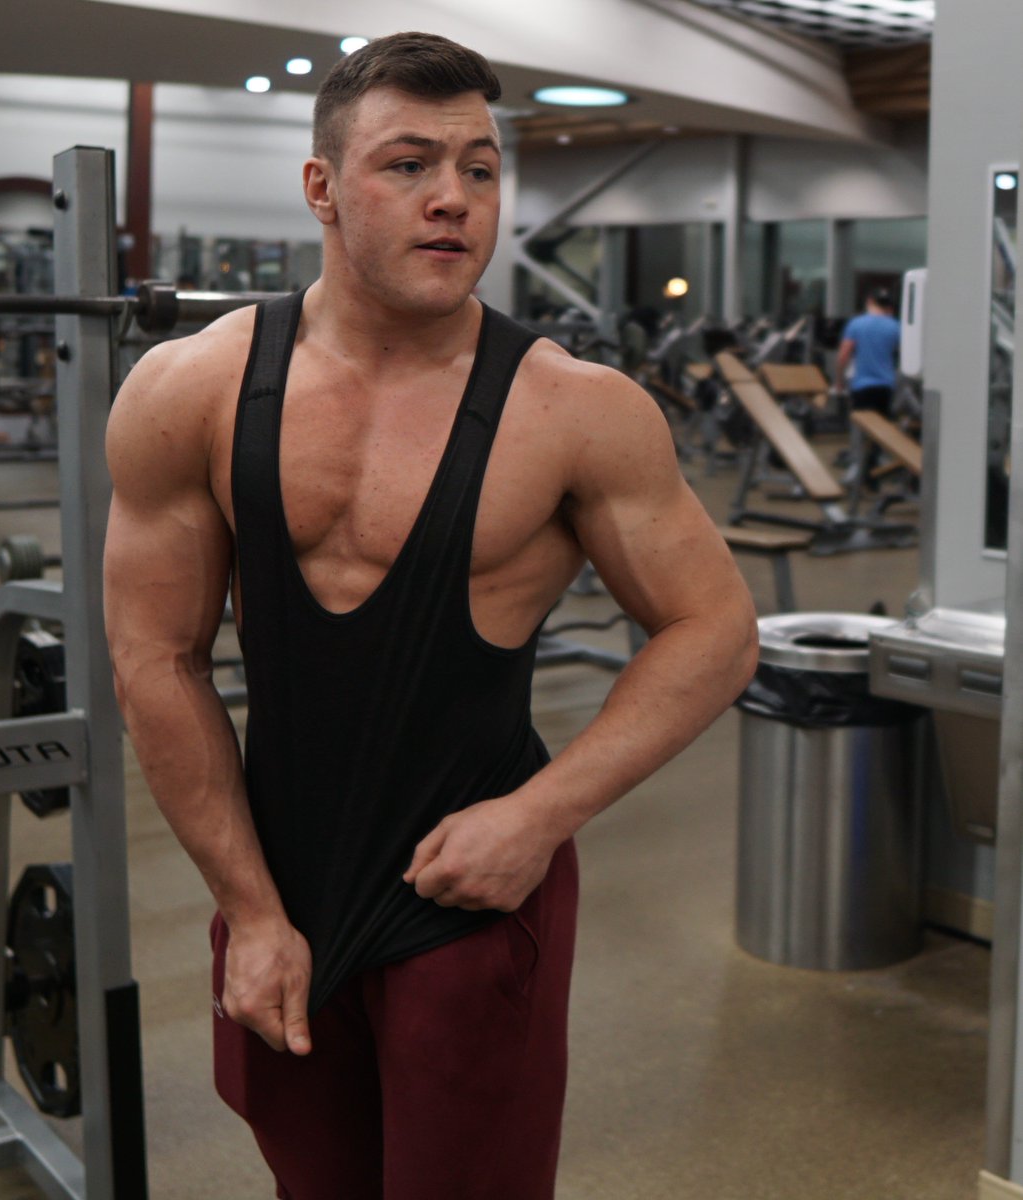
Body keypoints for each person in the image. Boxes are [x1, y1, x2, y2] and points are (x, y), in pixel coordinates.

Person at [103, 31, 758, 1199]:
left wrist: (541, 817)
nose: (453, 197)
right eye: (408, 164)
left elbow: (715, 629)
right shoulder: (191, 388)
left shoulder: (577, 411)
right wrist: (248, 910)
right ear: (322, 187)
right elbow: (158, 658)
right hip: (278, 891)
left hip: (473, 898)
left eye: (479, 169)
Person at [835, 288, 901, 416]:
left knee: (861, 424)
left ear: (869, 301)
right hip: (886, 385)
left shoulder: (856, 324)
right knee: (881, 424)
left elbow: (843, 355)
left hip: (862, 385)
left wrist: (839, 381)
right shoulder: (895, 326)